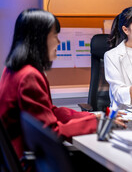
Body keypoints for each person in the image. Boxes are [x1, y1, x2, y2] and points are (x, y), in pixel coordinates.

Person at [0, 9, 122, 164]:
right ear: (40, 39)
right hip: (33, 163)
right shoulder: (29, 76)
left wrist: (93, 116)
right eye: (55, 36)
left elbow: (50, 112)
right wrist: (98, 124)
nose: (58, 42)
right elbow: (51, 132)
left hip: (22, 157)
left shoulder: (14, 70)